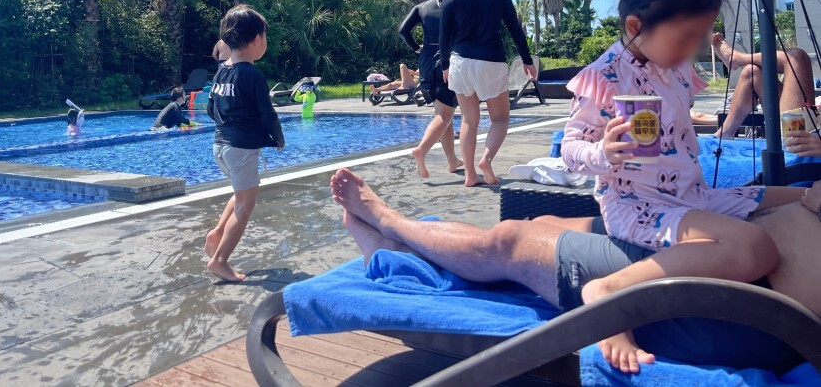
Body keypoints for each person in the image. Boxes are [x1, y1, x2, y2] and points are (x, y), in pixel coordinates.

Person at [560, 0, 805, 371]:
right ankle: (608, 292)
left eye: (701, 35)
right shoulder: (605, 77)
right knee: (756, 247)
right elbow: (570, 147)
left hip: (690, 195)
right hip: (638, 206)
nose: (693, 48)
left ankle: (804, 197)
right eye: (685, 36)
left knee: (797, 195)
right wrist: (603, 153)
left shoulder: (671, 67)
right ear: (635, 26)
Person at [330, 168, 821, 376]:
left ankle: (390, 225)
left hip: (734, 298)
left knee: (511, 241)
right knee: (542, 222)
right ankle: (401, 247)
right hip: (721, 245)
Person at [440, 0, 536, 187]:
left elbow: (444, 35)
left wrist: (444, 65)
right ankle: (486, 159)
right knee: (500, 119)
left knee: (468, 120)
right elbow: (515, 28)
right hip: (490, 61)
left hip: (460, 62)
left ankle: (470, 175)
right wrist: (527, 60)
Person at [204, 5, 285, 282]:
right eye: (265, 36)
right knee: (245, 206)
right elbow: (267, 112)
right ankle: (220, 261)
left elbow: (210, 109)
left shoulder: (221, 73)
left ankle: (217, 233)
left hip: (220, 146)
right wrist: (277, 137)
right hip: (240, 148)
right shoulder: (252, 75)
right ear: (257, 39)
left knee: (241, 194)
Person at [399, 0, 462, 178]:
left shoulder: (421, 7)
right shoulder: (456, 5)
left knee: (443, 112)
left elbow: (403, 31)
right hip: (447, 61)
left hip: (426, 61)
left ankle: (452, 161)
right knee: (445, 114)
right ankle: (421, 150)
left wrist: (418, 49)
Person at [710, 34, 816, 138]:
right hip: (797, 126)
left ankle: (738, 59)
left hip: (796, 134)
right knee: (752, 72)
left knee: (797, 57)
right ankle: (725, 133)